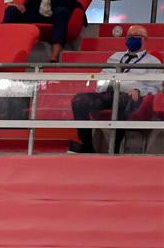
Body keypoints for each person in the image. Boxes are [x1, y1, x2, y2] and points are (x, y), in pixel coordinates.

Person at [69, 25, 161, 154]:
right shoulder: (116, 57)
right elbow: (103, 76)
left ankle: (114, 148)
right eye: (130, 36)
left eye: (137, 37)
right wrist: (104, 87)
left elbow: (155, 87)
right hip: (109, 93)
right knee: (79, 100)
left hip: (133, 97)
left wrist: (139, 90)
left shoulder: (153, 62)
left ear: (144, 40)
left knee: (121, 101)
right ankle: (87, 145)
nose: (132, 39)